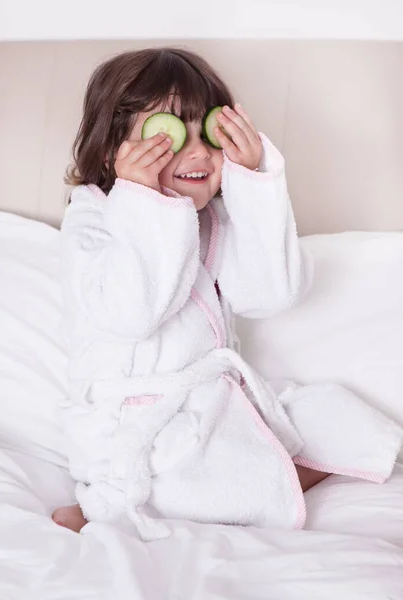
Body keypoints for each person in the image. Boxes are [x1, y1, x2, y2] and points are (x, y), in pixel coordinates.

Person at [52, 47, 402, 540]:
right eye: (170, 135)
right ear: (114, 152)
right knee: (215, 475)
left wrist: (253, 186)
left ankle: (265, 474)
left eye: (208, 133)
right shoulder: (93, 219)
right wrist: (145, 203)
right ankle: (111, 505)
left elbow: (270, 293)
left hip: (212, 405)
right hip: (135, 427)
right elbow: (130, 314)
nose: (196, 152)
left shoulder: (210, 221)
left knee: (343, 419)